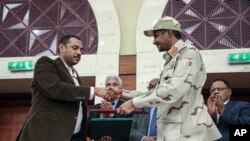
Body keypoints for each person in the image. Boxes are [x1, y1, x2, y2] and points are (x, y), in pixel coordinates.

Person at [115, 16, 222, 141]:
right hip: (174, 132)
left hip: (188, 134)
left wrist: (134, 103)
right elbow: (157, 93)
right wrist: (122, 93)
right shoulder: (173, 59)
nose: (154, 41)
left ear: (169, 33)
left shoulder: (188, 54)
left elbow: (173, 90)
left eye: (156, 36)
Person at [16, 35, 116, 141]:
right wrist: (94, 90)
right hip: (46, 135)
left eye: (81, 50)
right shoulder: (45, 63)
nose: (79, 53)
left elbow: (77, 115)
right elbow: (56, 89)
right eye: (75, 48)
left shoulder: (75, 76)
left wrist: (100, 132)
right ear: (62, 47)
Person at [88, 75, 133, 141]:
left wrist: (112, 114)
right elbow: (89, 132)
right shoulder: (95, 108)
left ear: (120, 89)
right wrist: (102, 115)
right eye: (108, 85)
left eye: (115, 85)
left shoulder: (126, 106)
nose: (111, 87)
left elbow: (128, 131)